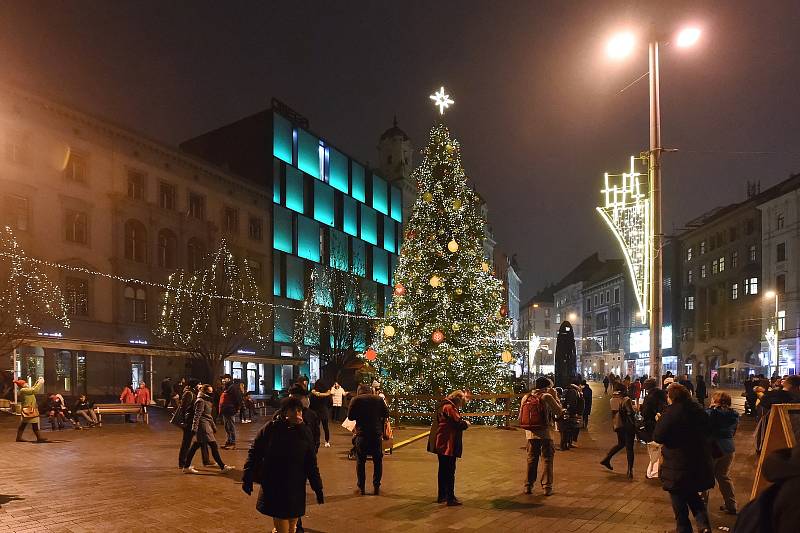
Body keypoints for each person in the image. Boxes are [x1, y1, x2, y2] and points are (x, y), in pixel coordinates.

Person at [242, 397, 324, 533]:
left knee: (293, 528)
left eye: (299, 411)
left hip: (295, 486)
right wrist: (247, 477)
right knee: (283, 529)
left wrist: (318, 488)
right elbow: (254, 453)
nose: (297, 414)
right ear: (285, 412)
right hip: (275, 484)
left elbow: (311, 462)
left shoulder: (304, 431)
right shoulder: (271, 429)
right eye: (293, 410)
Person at [654, 383, 714, 533]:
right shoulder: (699, 411)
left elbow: (658, 437)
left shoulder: (670, 413)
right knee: (693, 495)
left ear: (671, 397)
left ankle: (683, 529)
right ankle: (704, 526)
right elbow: (709, 430)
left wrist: (659, 421)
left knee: (679, 500)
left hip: (677, 463)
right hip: (698, 461)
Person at [519, 377, 564, 496]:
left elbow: (520, 417)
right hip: (545, 434)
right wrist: (555, 396)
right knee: (547, 460)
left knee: (531, 460)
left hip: (530, 434)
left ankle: (528, 485)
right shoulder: (546, 397)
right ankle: (546, 487)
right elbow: (558, 411)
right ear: (547, 387)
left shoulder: (526, 397)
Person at [428, 390, 470, 506]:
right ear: (458, 400)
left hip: (440, 443)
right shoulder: (449, 408)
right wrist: (466, 423)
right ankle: (450, 497)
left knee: (442, 470)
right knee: (450, 471)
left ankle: (442, 495)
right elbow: (458, 423)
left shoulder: (443, 406)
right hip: (447, 444)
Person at [183, 384, 235, 474]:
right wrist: (194, 428)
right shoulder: (201, 401)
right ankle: (222, 466)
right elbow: (197, 415)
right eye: (209, 392)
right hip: (203, 427)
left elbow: (209, 416)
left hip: (206, 426)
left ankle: (186, 466)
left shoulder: (206, 400)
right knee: (213, 446)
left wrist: (213, 426)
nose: (211, 393)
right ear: (205, 392)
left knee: (195, 446)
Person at [348, 384, 389, 495]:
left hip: (362, 434)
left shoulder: (355, 400)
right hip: (376, 434)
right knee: (377, 461)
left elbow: (350, 416)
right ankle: (376, 486)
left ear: (359, 391)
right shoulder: (378, 399)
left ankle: (362, 487)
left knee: (361, 461)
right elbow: (386, 413)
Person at [705, 391, 739, 515]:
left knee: (705, 476)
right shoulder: (734, 414)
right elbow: (734, 431)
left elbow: (704, 429)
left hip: (713, 447)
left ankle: (701, 505)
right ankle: (731, 505)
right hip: (729, 448)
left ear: (715, 401)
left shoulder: (710, 413)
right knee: (723, 476)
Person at [600, 382, 636, 478]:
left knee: (621, 444)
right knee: (629, 448)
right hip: (627, 426)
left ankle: (607, 458)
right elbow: (630, 413)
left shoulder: (612, 399)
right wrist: (634, 409)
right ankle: (630, 470)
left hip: (618, 425)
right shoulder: (626, 400)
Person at [178, 379, 213, 469]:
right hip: (190, 421)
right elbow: (183, 408)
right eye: (199, 384)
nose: (200, 385)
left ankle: (206, 460)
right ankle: (182, 463)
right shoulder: (189, 393)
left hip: (195, 420)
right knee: (187, 442)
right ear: (194, 385)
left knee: (202, 441)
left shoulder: (194, 392)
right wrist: (184, 421)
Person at [639, 378, 667, 479]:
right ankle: (656, 469)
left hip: (651, 425)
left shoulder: (649, 397)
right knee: (660, 447)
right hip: (662, 423)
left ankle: (654, 471)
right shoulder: (662, 394)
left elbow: (645, 413)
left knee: (653, 448)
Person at [14, 378, 47, 443]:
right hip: (29, 410)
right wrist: (40, 383)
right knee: (34, 423)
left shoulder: (25, 389)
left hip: (28, 409)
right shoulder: (23, 390)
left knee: (24, 424)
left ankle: (19, 437)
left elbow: (33, 388)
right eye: (25, 383)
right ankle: (39, 438)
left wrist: (37, 381)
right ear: (22, 385)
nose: (27, 383)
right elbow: (34, 390)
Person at [219, 374, 242, 450]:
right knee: (227, 427)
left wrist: (237, 408)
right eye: (222, 379)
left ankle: (232, 442)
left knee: (231, 426)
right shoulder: (226, 387)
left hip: (230, 409)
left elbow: (238, 398)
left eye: (224, 379)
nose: (223, 380)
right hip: (225, 409)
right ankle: (228, 441)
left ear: (229, 379)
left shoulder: (233, 387)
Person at [310, 381, 332, 447]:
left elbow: (311, 403)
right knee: (326, 427)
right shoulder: (327, 394)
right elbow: (330, 403)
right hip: (324, 412)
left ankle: (316, 440)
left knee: (316, 427)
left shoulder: (313, 394)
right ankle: (327, 442)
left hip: (316, 412)